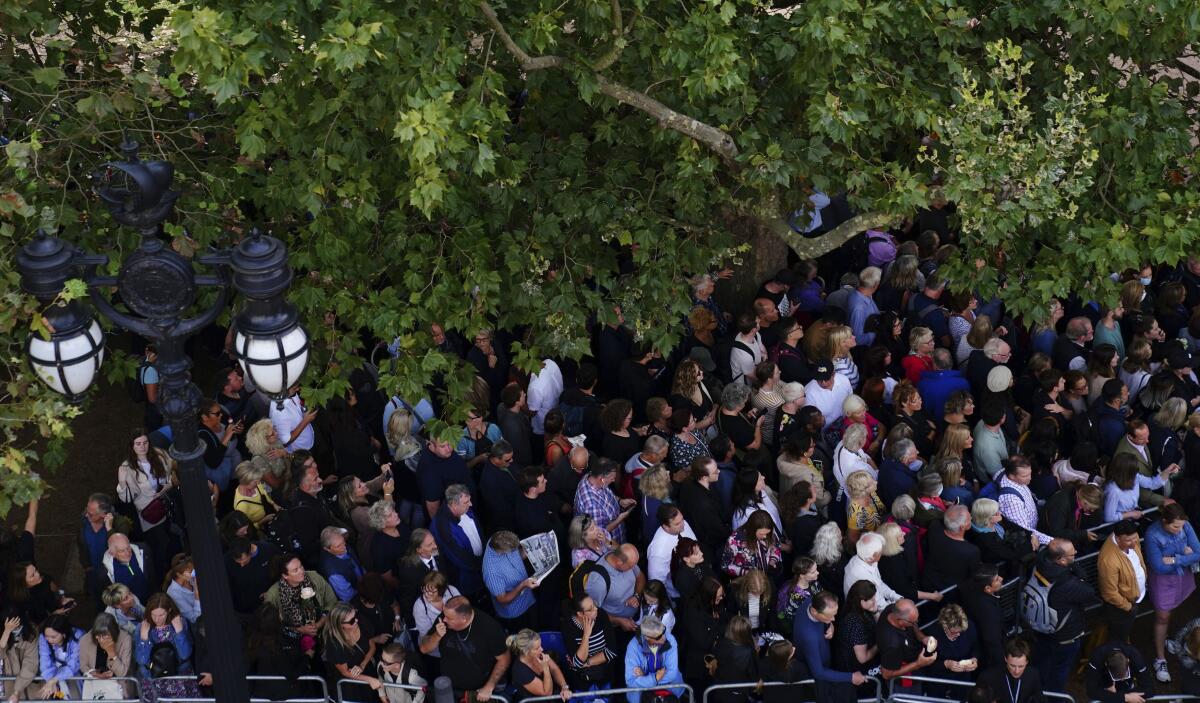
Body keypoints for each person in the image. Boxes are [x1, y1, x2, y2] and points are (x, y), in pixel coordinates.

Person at [1023, 538, 1098, 690]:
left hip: (1041, 628)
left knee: (1042, 661)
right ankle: (1055, 697)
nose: (1076, 553)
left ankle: (1035, 690)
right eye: (1072, 554)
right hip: (1064, 635)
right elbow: (1089, 592)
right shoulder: (1066, 583)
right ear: (1061, 560)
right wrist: (1076, 569)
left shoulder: (1040, 562)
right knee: (1060, 670)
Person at [1144, 502, 1200, 681]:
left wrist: (1175, 560)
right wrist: (1186, 555)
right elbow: (1159, 567)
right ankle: (1160, 658)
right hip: (1163, 582)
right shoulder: (1152, 534)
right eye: (1175, 526)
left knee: (1176, 608)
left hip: (1182, 576)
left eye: (1182, 526)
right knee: (1162, 617)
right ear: (1164, 521)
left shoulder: (1185, 524)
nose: (1179, 529)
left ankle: (1170, 640)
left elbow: (1199, 552)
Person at [422, 597, 510, 700]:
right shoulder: (443, 619)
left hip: (477, 691)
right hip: (451, 686)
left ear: (463, 619)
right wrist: (437, 635)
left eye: (449, 618)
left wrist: (489, 687)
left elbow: (504, 659)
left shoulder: (489, 628)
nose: (444, 619)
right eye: (444, 615)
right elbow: (424, 649)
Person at [116, 429, 176, 575]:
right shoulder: (128, 468)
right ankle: (163, 572)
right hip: (151, 512)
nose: (142, 447)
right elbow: (127, 498)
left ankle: (171, 565)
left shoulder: (158, 455)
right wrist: (123, 483)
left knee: (171, 535)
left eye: (145, 442)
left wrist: (167, 486)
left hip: (167, 503)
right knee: (160, 543)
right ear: (132, 446)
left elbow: (171, 471)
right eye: (138, 444)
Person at [794, 591, 868, 703]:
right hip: (818, 674)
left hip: (826, 657)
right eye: (829, 616)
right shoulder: (809, 637)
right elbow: (818, 672)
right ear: (814, 612)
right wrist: (850, 677)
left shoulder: (813, 601)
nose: (834, 619)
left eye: (834, 614)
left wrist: (830, 625)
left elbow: (829, 619)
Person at [263, 554, 337, 651]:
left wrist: (320, 622)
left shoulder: (314, 578)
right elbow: (271, 626)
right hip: (296, 643)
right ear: (285, 575)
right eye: (295, 570)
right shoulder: (273, 595)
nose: (301, 571)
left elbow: (331, 601)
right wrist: (298, 630)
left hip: (326, 630)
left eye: (301, 566)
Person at [134, 594, 199, 703]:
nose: (157, 619)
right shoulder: (142, 627)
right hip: (153, 678)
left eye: (161, 615)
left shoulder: (180, 622)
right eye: (153, 615)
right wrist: (144, 637)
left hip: (179, 676)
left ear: (169, 610)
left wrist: (179, 631)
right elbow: (141, 660)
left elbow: (185, 654)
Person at [429, 484, 485, 598]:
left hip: (480, 567)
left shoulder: (465, 510)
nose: (471, 504)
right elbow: (460, 558)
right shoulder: (443, 527)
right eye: (466, 502)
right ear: (454, 504)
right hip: (465, 578)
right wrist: (484, 565)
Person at [322, 601, 385, 698]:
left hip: (367, 670)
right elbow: (345, 671)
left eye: (355, 616)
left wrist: (362, 665)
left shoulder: (362, 622)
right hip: (350, 683)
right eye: (351, 621)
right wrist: (369, 680)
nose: (356, 621)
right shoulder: (334, 643)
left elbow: (372, 647)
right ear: (340, 624)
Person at [1099, 520, 1148, 644]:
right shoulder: (1108, 560)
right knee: (1118, 636)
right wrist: (1128, 607)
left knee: (1125, 630)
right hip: (1122, 607)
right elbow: (1109, 593)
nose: (1134, 543)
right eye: (1129, 541)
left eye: (1135, 538)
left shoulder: (1132, 540)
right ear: (1117, 538)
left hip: (1135, 596)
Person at [482, 531, 538, 631]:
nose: (515, 551)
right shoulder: (491, 571)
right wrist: (523, 585)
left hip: (529, 599)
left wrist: (524, 553)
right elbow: (502, 599)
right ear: (502, 552)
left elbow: (517, 557)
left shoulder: (500, 537)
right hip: (516, 613)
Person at [676, 457, 729, 562]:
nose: (719, 471)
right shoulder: (703, 505)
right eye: (715, 472)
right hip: (711, 543)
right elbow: (716, 530)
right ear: (704, 477)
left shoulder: (689, 482)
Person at [561, 593, 617, 691]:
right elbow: (577, 663)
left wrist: (588, 662)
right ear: (580, 614)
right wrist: (586, 635)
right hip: (582, 679)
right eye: (590, 609)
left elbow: (612, 651)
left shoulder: (601, 615)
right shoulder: (568, 627)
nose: (596, 609)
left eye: (594, 605)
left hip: (604, 672)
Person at [623, 615, 684, 703]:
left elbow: (672, 674)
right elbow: (631, 681)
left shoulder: (670, 639)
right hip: (641, 697)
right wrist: (654, 678)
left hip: (671, 692)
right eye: (658, 637)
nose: (664, 638)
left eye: (663, 631)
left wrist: (645, 677)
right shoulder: (633, 647)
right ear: (647, 637)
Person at [922, 505, 982, 593]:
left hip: (928, 583)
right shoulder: (971, 551)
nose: (971, 518)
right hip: (948, 592)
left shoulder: (934, 526)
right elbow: (974, 574)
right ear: (962, 527)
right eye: (969, 519)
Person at [586, 544, 644, 633]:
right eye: (630, 566)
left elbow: (640, 577)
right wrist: (619, 620)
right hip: (617, 627)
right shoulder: (598, 583)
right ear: (619, 562)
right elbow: (592, 613)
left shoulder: (626, 559)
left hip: (636, 616)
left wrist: (636, 595)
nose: (633, 568)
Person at [574, 459, 635, 544]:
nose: (614, 480)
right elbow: (599, 533)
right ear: (601, 479)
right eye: (612, 478)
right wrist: (620, 519)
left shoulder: (592, 477)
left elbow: (607, 494)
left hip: (618, 534)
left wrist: (620, 501)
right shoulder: (591, 504)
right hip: (609, 543)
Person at [876, 598, 937, 681]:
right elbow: (886, 674)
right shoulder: (893, 644)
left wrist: (923, 638)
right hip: (906, 677)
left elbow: (914, 626)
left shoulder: (892, 609)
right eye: (913, 621)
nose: (916, 623)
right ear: (901, 621)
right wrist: (918, 664)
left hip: (916, 658)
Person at [78, 612, 133, 699]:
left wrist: (111, 651)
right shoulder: (85, 640)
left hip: (117, 686)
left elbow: (122, 672)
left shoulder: (125, 639)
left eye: (105, 636)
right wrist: (97, 675)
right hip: (94, 685)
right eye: (98, 636)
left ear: (113, 632)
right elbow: (83, 666)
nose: (101, 640)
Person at [647, 505, 697, 599]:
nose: (683, 524)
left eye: (682, 519)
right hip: (679, 594)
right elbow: (657, 582)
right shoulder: (658, 551)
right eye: (677, 524)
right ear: (666, 526)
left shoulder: (682, 524)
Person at [508, 629, 570, 702]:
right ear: (526, 652)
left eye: (540, 645)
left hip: (554, 696)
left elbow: (554, 668)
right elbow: (547, 693)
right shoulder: (520, 670)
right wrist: (546, 668)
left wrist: (564, 687)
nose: (542, 649)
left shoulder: (538, 654)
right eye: (537, 648)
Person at [927, 604, 979, 691]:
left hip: (963, 682)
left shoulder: (969, 627)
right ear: (945, 626)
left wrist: (975, 659)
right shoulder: (932, 633)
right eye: (954, 632)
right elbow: (926, 665)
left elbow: (976, 647)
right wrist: (945, 664)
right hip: (939, 683)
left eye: (961, 631)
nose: (958, 634)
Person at [844, 532, 902, 607]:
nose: (882, 554)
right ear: (873, 556)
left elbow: (879, 584)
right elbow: (880, 605)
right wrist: (899, 604)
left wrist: (897, 597)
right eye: (880, 552)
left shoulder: (865, 558)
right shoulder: (862, 577)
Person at [835, 580, 880, 676]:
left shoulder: (853, 608)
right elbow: (862, 658)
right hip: (858, 671)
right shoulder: (856, 623)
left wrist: (875, 612)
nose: (875, 601)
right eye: (872, 599)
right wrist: (879, 644)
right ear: (862, 601)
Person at [1085, 642, 1155, 703]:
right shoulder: (1097, 657)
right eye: (1117, 678)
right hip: (1105, 682)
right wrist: (1125, 697)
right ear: (1106, 664)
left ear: (1128, 661)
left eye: (1126, 675)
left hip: (1125, 688)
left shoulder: (1136, 658)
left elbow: (1150, 689)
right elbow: (1091, 691)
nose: (1122, 679)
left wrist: (1122, 697)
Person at [721, 510, 783, 579]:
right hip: (747, 582)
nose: (765, 536)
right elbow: (725, 566)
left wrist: (772, 560)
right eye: (761, 534)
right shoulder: (734, 541)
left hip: (767, 577)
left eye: (767, 533)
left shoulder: (767, 532)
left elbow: (776, 547)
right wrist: (746, 573)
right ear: (752, 530)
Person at [978, 638, 1043, 703]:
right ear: (1005, 659)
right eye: (1012, 665)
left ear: (1027, 662)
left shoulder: (1033, 675)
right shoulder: (988, 677)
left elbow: (1040, 699)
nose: (1016, 671)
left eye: (1021, 666)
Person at [413, 571, 460, 662]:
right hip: (436, 651)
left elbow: (462, 609)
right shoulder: (419, 606)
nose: (427, 594)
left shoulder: (452, 591)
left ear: (441, 590)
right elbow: (425, 636)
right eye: (424, 590)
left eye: (432, 591)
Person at [0, 611, 40, 701]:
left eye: (17, 624)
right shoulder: (4, 630)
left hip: (25, 682)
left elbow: (31, 663)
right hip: (5, 680)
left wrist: (17, 691)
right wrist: (6, 631)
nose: (15, 627)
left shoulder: (31, 631)